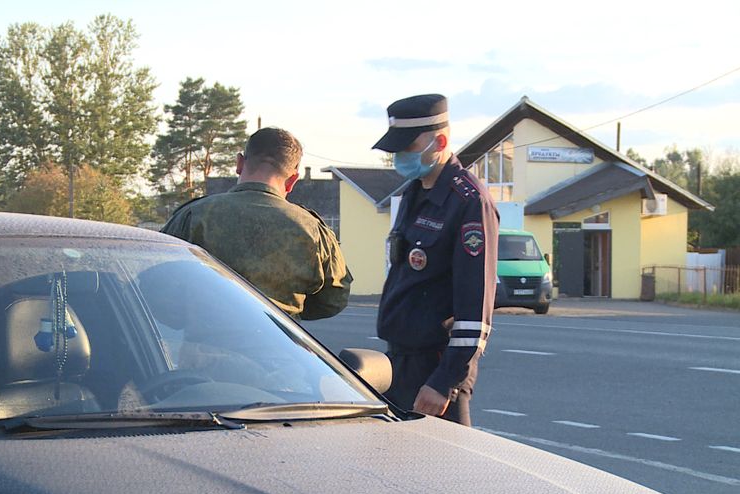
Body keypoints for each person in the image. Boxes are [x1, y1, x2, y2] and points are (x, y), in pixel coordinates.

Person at [373, 94, 499, 426]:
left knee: (443, 473)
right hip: (400, 362)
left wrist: (444, 382)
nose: (400, 157)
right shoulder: (414, 193)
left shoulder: (468, 202)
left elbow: (475, 309)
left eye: (407, 148)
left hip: (435, 369)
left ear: (439, 141)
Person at [161, 127, 352, 320]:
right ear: (293, 180)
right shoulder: (313, 230)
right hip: (277, 347)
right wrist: (288, 314)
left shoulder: (193, 215)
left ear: (239, 163)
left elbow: (159, 282)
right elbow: (334, 298)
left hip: (202, 345)